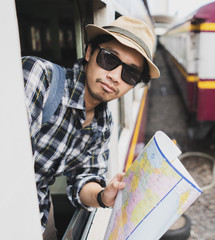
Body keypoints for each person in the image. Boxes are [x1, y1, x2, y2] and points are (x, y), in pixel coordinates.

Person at [21, 16, 160, 238]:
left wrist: (104, 196)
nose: (115, 77)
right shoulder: (40, 77)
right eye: (109, 59)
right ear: (89, 52)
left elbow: (83, 180)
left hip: (39, 209)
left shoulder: (103, 126)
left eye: (130, 73)